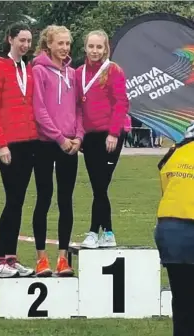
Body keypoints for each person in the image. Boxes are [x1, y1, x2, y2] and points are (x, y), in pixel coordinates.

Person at [0, 22, 43, 278]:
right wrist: (1, 144)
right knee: (12, 201)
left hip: (30, 141)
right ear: (10, 39)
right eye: (22, 40)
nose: (25, 45)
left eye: (29, 41)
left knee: (18, 202)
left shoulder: (27, 67)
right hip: (11, 144)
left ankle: (10, 257)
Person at [32, 25, 84, 276]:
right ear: (48, 45)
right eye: (59, 43)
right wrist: (60, 138)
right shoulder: (39, 71)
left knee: (66, 200)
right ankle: (41, 259)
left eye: (67, 43)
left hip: (70, 146)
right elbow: (39, 110)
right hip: (45, 144)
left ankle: (63, 258)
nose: (64, 48)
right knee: (44, 198)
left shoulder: (73, 73)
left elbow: (78, 109)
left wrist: (78, 138)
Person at [76, 30, 129, 249]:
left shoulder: (114, 70)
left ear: (105, 48)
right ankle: (107, 232)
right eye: (91, 46)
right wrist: (79, 135)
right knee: (99, 186)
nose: (95, 51)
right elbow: (78, 106)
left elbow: (121, 103)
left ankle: (93, 232)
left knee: (100, 185)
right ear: (85, 47)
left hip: (111, 135)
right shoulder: (78, 72)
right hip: (90, 136)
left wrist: (113, 133)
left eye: (99, 47)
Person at [154, 121, 194, 336]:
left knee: (181, 300)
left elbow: (164, 187)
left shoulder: (174, 153)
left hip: (169, 230)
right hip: (190, 227)